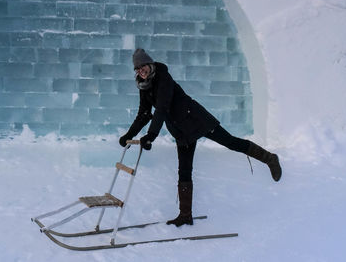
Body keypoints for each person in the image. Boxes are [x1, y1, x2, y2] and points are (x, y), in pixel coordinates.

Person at [118, 49, 282, 227]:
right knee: (184, 170)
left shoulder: (163, 79)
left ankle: (269, 158)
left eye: (143, 67)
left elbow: (162, 108)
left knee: (230, 142)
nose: (141, 71)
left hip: (196, 120)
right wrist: (129, 135)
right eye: (138, 69)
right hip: (180, 130)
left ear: (150, 65)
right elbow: (144, 113)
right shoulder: (144, 86)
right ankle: (185, 215)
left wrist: (151, 136)